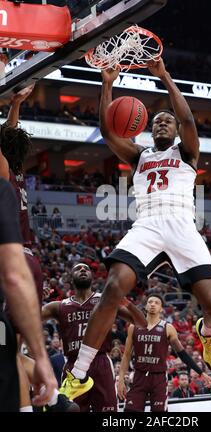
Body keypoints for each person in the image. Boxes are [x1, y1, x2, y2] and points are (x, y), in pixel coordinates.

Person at [61, 58, 211, 399]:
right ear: (151, 130)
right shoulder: (140, 156)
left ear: (176, 131)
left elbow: (188, 118)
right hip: (147, 225)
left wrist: (164, 74)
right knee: (112, 289)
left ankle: (207, 332)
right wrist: (107, 83)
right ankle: (78, 374)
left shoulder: (188, 152)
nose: (164, 124)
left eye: (168, 122)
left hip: (181, 224)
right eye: (158, 122)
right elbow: (107, 131)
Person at [0, 87, 77, 412]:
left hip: (13, 261)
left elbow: (6, 138)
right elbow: (10, 136)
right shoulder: (17, 172)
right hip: (32, 260)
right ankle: (57, 403)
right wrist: (15, 103)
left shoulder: (4, 172)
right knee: (12, 352)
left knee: (8, 354)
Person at [42, 262, 147, 412]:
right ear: (71, 279)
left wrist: (127, 303)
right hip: (73, 364)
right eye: (78, 269)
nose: (83, 269)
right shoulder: (59, 306)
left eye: (87, 268)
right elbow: (27, 319)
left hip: (101, 362)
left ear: (92, 277)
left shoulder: (105, 300)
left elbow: (142, 323)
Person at [0, 177, 57, 412]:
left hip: (25, 256)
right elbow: (13, 276)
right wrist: (41, 357)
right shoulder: (5, 180)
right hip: (23, 256)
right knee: (12, 353)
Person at [117, 294, 211, 412]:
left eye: (156, 303)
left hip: (159, 378)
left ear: (161, 309)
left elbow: (182, 354)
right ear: (146, 306)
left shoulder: (168, 328)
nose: (152, 304)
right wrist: (121, 379)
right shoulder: (133, 327)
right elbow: (126, 355)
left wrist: (201, 373)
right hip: (139, 376)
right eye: (150, 302)